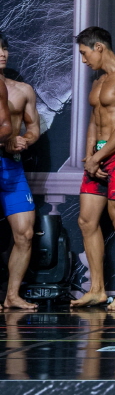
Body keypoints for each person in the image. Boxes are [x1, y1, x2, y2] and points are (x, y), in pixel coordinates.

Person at [71, 27, 115, 310]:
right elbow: (94, 120)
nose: (84, 60)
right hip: (98, 156)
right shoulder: (99, 81)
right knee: (86, 221)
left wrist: (97, 157)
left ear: (98, 47)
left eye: (85, 53)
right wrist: (90, 155)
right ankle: (97, 290)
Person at [0, 33, 38, 310]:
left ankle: (12, 295)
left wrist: (24, 140)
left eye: (4, 48)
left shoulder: (22, 90)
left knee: (25, 233)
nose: (2, 53)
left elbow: (33, 128)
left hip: (12, 165)